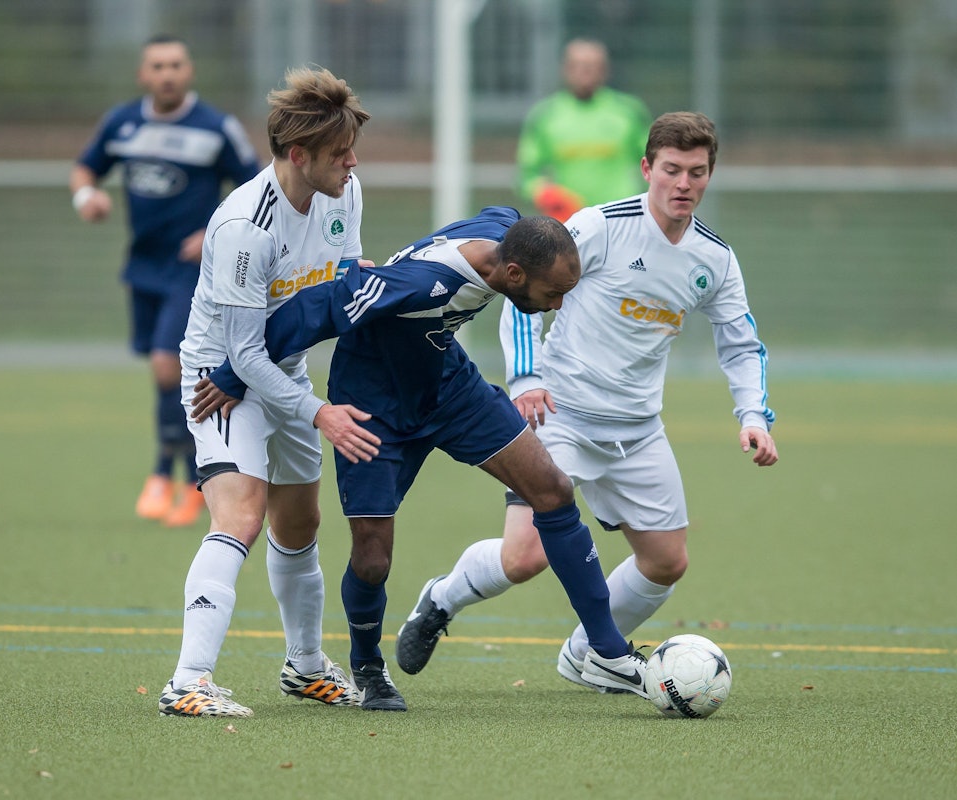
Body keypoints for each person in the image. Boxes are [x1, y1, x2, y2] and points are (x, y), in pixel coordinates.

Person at [196, 207, 654, 712]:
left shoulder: (507, 236)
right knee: (372, 559)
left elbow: (507, 215)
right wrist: (231, 374)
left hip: (449, 387)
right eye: (553, 294)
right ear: (514, 274)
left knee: (553, 490)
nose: (558, 304)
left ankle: (607, 650)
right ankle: (368, 668)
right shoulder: (419, 284)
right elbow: (319, 308)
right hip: (374, 406)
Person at [395, 111, 779, 688]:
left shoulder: (714, 259)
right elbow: (520, 290)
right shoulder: (599, 227)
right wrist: (526, 381)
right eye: (671, 170)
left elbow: (741, 342)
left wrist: (752, 415)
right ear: (647, 167)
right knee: (523, 558)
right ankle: (441, 598)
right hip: (562, 416)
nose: (683, 184)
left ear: (709, 175)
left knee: (666, 562)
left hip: (638, 429)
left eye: (697, 173)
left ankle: (588, 653)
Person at [156, 66, 372, 718]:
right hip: (220, 385)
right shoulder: (244, 229)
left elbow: (342, 289)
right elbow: (242, 355)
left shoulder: (344, 192)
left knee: (299, 524)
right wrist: (321, 414)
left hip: (287, 374)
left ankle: (304, 667)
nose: (352, 163)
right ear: (298, 155)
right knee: (242, 516)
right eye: (339, 154)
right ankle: (187, 681)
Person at [70, 34, 259, 527]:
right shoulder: (123, 123)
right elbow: (85, 169)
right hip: (143, 266)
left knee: (164, 363)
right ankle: (184, 475)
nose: (167, 74)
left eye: (176, 64)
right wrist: (86, 197)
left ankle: (170, 474)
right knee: (162, 370)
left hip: (193, 271)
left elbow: (257, 186)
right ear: (143, 75)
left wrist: (212, 231)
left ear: (189, 70)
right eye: (158, 66)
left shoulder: (216, 128)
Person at [516, 38, 651, 223]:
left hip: (622, 220)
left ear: (605, 70)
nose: (584, 72)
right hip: (569, 223)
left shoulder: (629, 111)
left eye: (591, 66)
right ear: (564, 69)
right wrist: (548, 195)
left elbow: (655, 162)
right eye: (577, 65)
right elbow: (527, 175)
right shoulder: (545, 115)